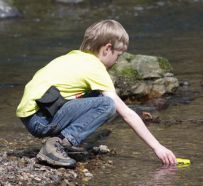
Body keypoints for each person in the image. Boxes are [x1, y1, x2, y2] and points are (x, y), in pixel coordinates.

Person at [16, 19, 177, 168]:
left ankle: (60, 141)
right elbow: (126, 114)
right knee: (107, 104)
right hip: (41, 120)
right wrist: (158, 147)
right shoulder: (95, 68)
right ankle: (57, 144)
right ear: (107, 48)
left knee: (96, 95)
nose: (117, 61)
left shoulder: (73, 58)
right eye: (118, 55)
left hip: (32, 116)